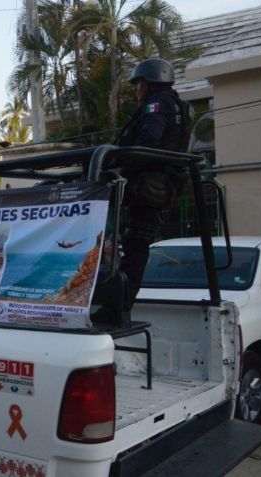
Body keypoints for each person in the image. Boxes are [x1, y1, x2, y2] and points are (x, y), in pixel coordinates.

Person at [114, 57, 190, 308]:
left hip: (149, 187)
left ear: (153, 83)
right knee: (135, 245)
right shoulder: (178, 106)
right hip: (161, 187)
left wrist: (120, 171)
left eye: (140, 84)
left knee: (134, 247)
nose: (136, 89)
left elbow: (147, 142)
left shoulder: (157, 105)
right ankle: (117, 303)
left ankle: (118, 305)